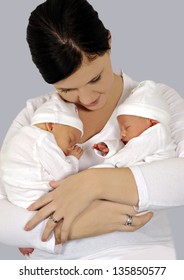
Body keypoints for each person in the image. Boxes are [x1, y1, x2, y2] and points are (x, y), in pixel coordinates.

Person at [0, 0, 184, 260]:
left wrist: (90, 184)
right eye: (66, 90)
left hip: (136, 261)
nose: (86, 98)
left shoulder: (153, 100)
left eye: (95, 78)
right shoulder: (36, 116)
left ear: (109, 41)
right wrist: (76, 226)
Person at [0, 92, 83, 256]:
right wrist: (73, 158)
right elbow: (63, 174)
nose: (69, 147)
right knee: (72, 208)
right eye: (70, 140)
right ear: (51, 125)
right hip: (35, 197)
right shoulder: (42, 139)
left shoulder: (20, 135)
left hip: (17, 198)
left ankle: (23, 237)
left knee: (27, 225)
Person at [93, 80, 176, 167]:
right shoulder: (140, 138)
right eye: (121, 128)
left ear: (152, 123)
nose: (122, 133)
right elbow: (127, 147)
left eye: (127, 127)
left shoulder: (157, 133)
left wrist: (104, 167)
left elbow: (128, 155)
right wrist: (110, 147)